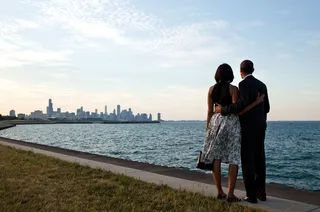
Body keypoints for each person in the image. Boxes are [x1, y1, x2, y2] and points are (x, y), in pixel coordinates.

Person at [196, 63, 264, 203]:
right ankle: (230, 194)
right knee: (233, 158)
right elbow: (236, 110)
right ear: (231, 74)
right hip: (231, 124)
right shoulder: (233, 89)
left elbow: (209, 111)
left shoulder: (211, 90)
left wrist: (208, 129)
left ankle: (219, 191)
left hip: (215, 123)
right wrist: (255, 103)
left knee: (216, 157)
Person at [215, 60, 270, 203]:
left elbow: (239, 106)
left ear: (241, 71)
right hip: (261, 126)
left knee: (247, 161)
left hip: (247, 127)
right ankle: (261, 193)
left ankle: (251, 196)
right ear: (253, 69)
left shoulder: (243, 84)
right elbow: (267, 108)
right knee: (260, 160)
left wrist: (223, 109)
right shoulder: (262, 85)